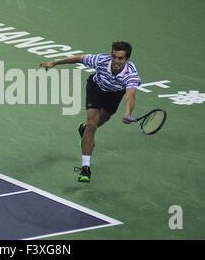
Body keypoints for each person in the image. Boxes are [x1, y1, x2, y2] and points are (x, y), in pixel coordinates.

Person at [40, 41, 141, 183]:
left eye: (120, 58)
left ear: (127, 59)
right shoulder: (101, 60)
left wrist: (127, 113)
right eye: (114, 56)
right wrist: (55, 63)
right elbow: (77, 59)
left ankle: (85, 129)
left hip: (115, 94)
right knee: (92, 124)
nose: (116, 61)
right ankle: (85, 168)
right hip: (96, 89)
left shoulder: (131, 74)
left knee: (103, 119)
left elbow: (130, 94)